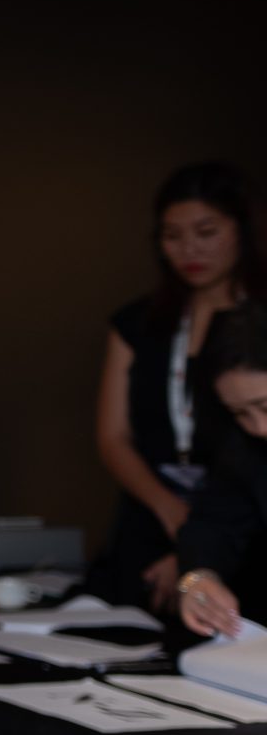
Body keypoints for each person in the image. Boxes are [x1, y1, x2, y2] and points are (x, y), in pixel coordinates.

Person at [91, 163, 264, 609]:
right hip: (163, 518)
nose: (189, 249)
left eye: (206, 232)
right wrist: (194, 556)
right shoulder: (141, 322)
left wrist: (194, 555)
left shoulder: (256, 326)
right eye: (172, 236)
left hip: (246, 538)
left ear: (243, 230)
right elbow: (113, 438)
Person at [174, 300, 267, 638]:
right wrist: (200, 578)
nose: (259, 428)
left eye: (265, 406)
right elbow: (214, 521)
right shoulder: (247, 446)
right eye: (240, 413)